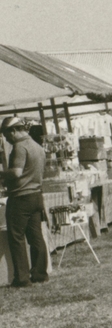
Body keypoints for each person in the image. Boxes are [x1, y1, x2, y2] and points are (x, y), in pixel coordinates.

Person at [2, 116, 49, 287]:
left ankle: (22, 279)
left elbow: (16, 172)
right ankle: (40, 274)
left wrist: (1, 174)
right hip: (36, 195)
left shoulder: (19, 147)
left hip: (21, 197)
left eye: (6, 135)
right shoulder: (37, 146)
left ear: (13, 131)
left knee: (16, 238)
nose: (6, 139)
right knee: (36, 237)